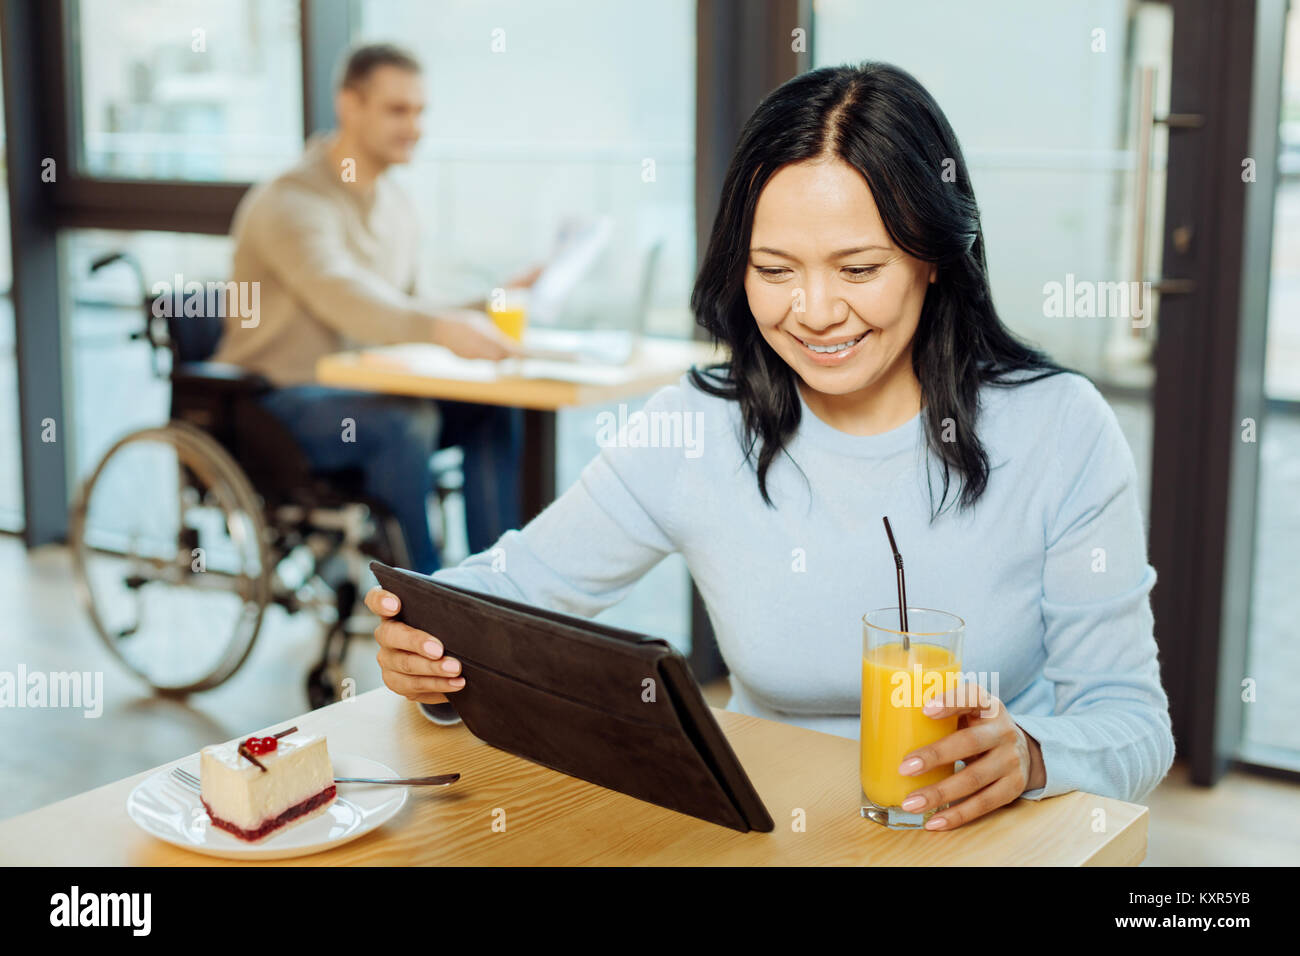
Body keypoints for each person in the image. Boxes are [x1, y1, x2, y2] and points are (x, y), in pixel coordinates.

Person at [364, 62, 1176, 829]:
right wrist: (427, 654)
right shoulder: (697, 427)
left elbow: (1132, 720)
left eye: (858, 269)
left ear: (934, 258)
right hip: (769, 829)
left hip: (978, 835)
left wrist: (1033, 755)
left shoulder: (1059, 427)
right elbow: (506, 592)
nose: (814, 311)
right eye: (774, 268)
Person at [213, 43, 532, 574]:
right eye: (397, 110)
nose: (415, 126)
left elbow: (404, 305)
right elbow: (344, 296)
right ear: (349, 106)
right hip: (277, 402)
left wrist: (495, 300)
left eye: (421, 111)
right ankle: (429, 603)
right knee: (405, 422)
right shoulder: (290, 202)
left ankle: (499, 586)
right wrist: (438, 327)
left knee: (493, 408)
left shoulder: (394, 203)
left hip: (364, 394)